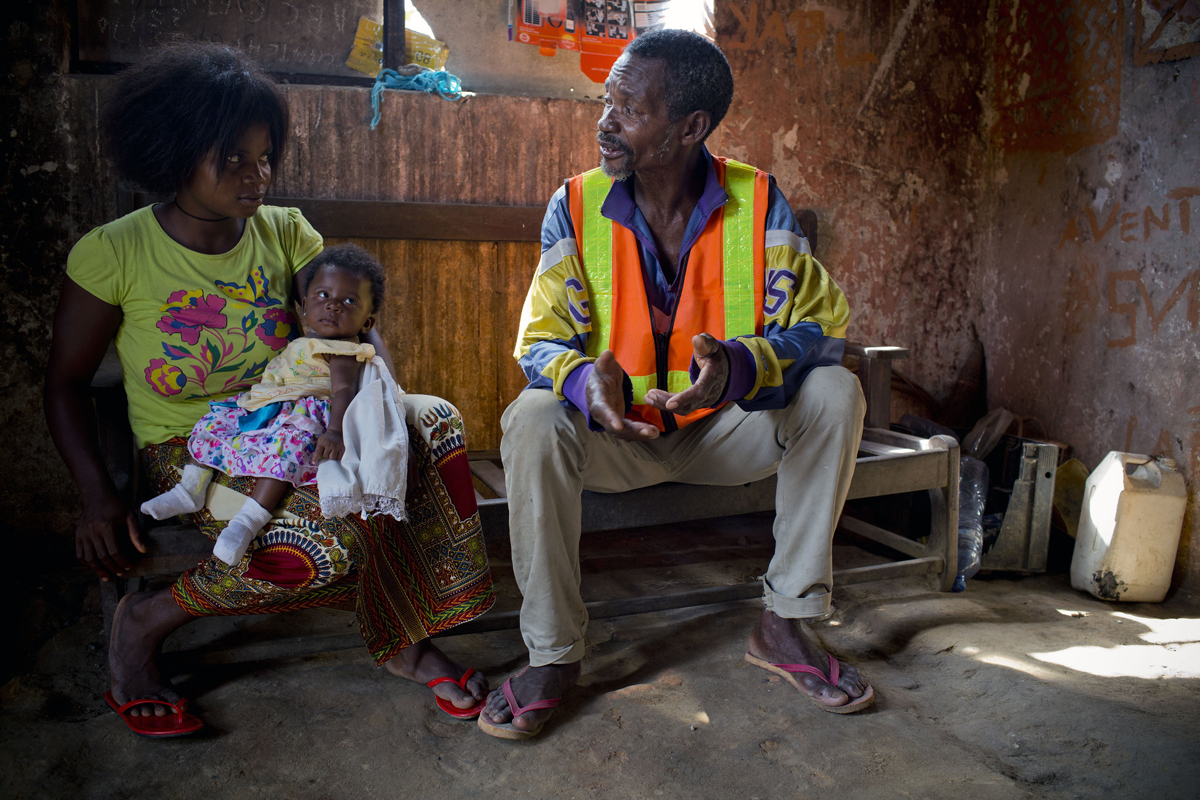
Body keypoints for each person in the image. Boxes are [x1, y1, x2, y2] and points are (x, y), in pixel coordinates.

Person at [43, 42, 494, 737]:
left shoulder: (285, 231)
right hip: (198, 449)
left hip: (308, 424)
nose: (257, 176)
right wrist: (98, 498)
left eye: (264, 157)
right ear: (173, 155)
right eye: (233, 160)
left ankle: (404, 629)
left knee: (431, 421)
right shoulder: (115, 252)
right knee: (322, 550)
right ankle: (148, 620)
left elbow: (352, 330)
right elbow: (66, 383)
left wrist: (367, 409)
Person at [479, 29, 871, 740]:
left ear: (691, 128)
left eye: (629, 107)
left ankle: (784, 626)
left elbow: (820, 326)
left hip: (724, 433)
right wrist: (582, 387)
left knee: (837, 392)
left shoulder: (759, 202)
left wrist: (740, 365)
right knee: (531, 418)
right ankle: (553, 654)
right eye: (608, 101)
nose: (606, 121)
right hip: (615, 438)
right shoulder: (573, 205)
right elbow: (539, 342)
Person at [141, 243, 395, 566]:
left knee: (284, 454)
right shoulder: (307, 341)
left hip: (302, 415)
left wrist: (334, 432)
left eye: (349, 301)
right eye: (323, 296)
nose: (333, 306)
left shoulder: (343, 349)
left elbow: (343, 390)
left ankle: (247, 521)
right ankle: (190, 488)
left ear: (366, 324)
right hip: (267, 406)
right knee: (215, 423)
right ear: (304, 306)